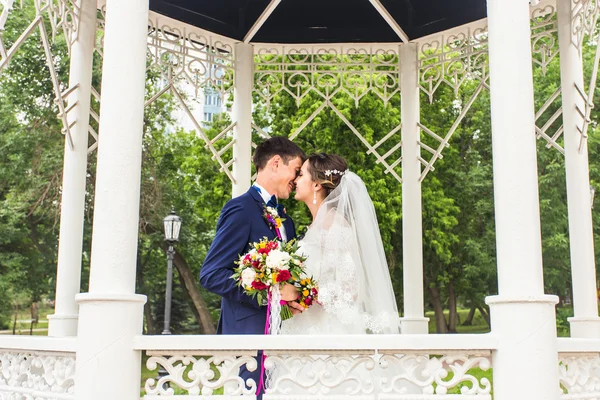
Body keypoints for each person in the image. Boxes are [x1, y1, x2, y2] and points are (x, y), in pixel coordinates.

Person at [265, 153, 402, 395]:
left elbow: (350, 290)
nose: (296, 179)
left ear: (317, 184)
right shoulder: (315, 225)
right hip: (303, 336)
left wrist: (303, 293)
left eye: (302, 174)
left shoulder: (335, 225)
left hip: (327, 340)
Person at [200, 136, 306, 396]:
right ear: (276, 163)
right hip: (247, 336)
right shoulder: (240, 209)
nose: (297, 178)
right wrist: (269, 296)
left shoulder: (286, 221)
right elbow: (212, 274)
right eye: (296, 170)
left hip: (283, 337)